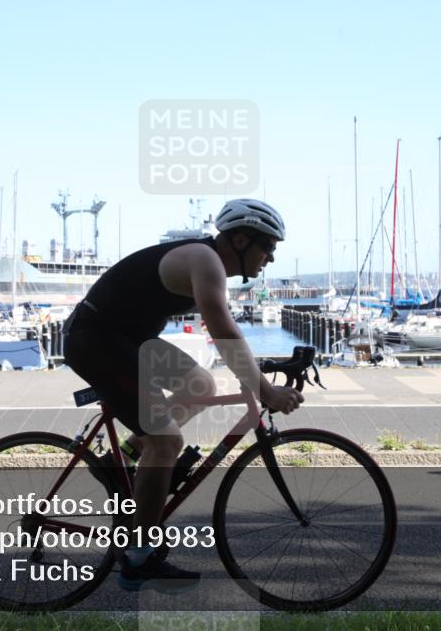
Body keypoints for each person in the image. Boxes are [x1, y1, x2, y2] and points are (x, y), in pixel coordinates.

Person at [63, 199, 304, 593]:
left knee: (201, 385)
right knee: (167, 441)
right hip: (96, 340)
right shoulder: (205, 262)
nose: (271, 257)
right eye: (267, 247)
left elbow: (229, 336)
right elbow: (224, 332)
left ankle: (121, 459)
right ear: (240, 240)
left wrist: (263, 373)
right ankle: (138, 559)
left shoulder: (208, 262)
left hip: (127, 339)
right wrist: (267, 391)